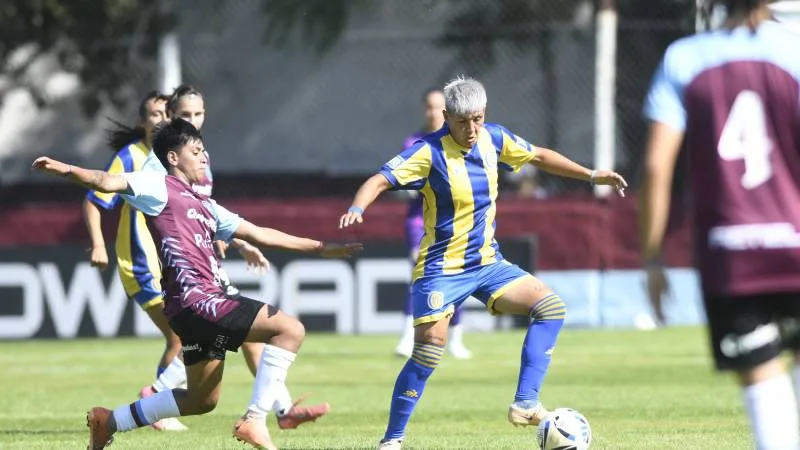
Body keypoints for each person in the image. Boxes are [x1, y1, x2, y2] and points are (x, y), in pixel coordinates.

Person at [33, 119, 360, 450]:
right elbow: (104, 181)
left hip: (192, 311)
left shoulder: (207, 206)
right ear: (173, 158)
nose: (205, 157)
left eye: (205, 150)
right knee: (290, 329)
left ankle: (110, 421)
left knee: (201, 401)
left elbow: (260, 234)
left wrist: (320, 248)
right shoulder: (156, 186)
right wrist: (64, 169)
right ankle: (256, 419)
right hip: (199, 301)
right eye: (196, 151)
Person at [339, 76, 627, 449]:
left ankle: (525, 402)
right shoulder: (427, 152)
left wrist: (590, 175)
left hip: (487, 263)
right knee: (428, 351)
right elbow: (379, 179)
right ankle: (392, 442)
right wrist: (357, 207)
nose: (472, 129)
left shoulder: (495, 138)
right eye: (462, 121)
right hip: (441, 268)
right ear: (446, 117)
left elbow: (539, 155)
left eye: (477, 119)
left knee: (550, 307)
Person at [640, 1, 800, 448]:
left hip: (731, 256)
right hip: (797, 245)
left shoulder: (684, 58)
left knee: (763, 384)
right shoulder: (795, 52)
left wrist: (652, 257)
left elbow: (656, 166)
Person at [139, 86, 271, 423]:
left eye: (199, 114)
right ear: (172, 116)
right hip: (182, 266)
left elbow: (207, 211)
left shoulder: (199, 157)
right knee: (250, 329)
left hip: (204, 260)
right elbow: (165, 211)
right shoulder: (158, 164)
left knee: (235, 333)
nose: (194, 120)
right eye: (186, 115)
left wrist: (237, 241)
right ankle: (273, 412)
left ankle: (155, 394)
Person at [83, 92, 192, 430]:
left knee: (184, 335)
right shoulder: (131, 156)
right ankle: (156, 408)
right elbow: (95, 200)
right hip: (142, 263)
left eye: (165, 113)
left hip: (170, 261)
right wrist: (98, 244)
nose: (161, 119)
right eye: (154, 115)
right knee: (181, 336)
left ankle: (157, 405)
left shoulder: (172, 156)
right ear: (142, 122)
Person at [395, 88, 472, 360]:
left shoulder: (462, 140)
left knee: (458, 276)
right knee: (420, 275)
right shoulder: (414, 142)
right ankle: (408, 338)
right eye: (429, 106)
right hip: (420, 221)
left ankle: (457, 338)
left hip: (453, 222)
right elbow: (406, 182)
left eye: (439, 107)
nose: (433, 112)